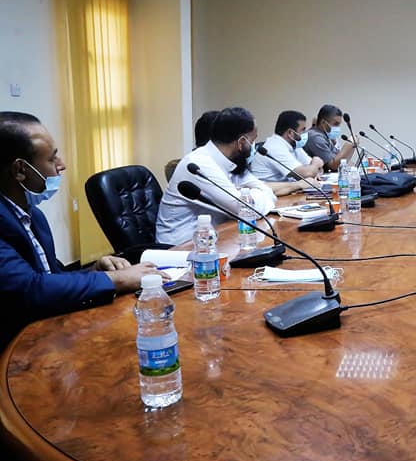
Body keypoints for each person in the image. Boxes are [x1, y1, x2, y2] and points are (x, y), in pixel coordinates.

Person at [0, 112, 160, 347]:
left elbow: (52, 277)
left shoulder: (33, 216)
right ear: (20, 170)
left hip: (49, 331)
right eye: (52, 159)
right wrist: (117, 279)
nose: (61, 165)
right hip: (15, 347)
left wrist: (95, 271)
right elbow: (30, 289)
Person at [157, 107, 277, 246]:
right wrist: (254, 195)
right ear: (241, 142)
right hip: (181, 247)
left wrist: (250, 195)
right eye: (253, 140)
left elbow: (264, 190)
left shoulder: (233, 161)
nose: (253, 146)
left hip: (215, 238)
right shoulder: (199, 164)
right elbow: (246, 210)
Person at [251, 110, 325, 182]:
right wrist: (316, 161)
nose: (305, 133)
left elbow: (316, 169)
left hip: (286, 188)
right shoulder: (275, 147)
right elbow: (307, 173)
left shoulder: (293, 145)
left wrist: (314, 169)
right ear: (290, 133)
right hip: (269, 189)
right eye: (303, 130)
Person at [304, 104, 355, 172]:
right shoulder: (315, 137)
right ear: (323, 123)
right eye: (336, 124)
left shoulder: (325, 136)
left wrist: (353, 146)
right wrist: (348, 144)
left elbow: (342, 161)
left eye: (339, 125)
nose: (337, 127)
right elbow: (333, 165)